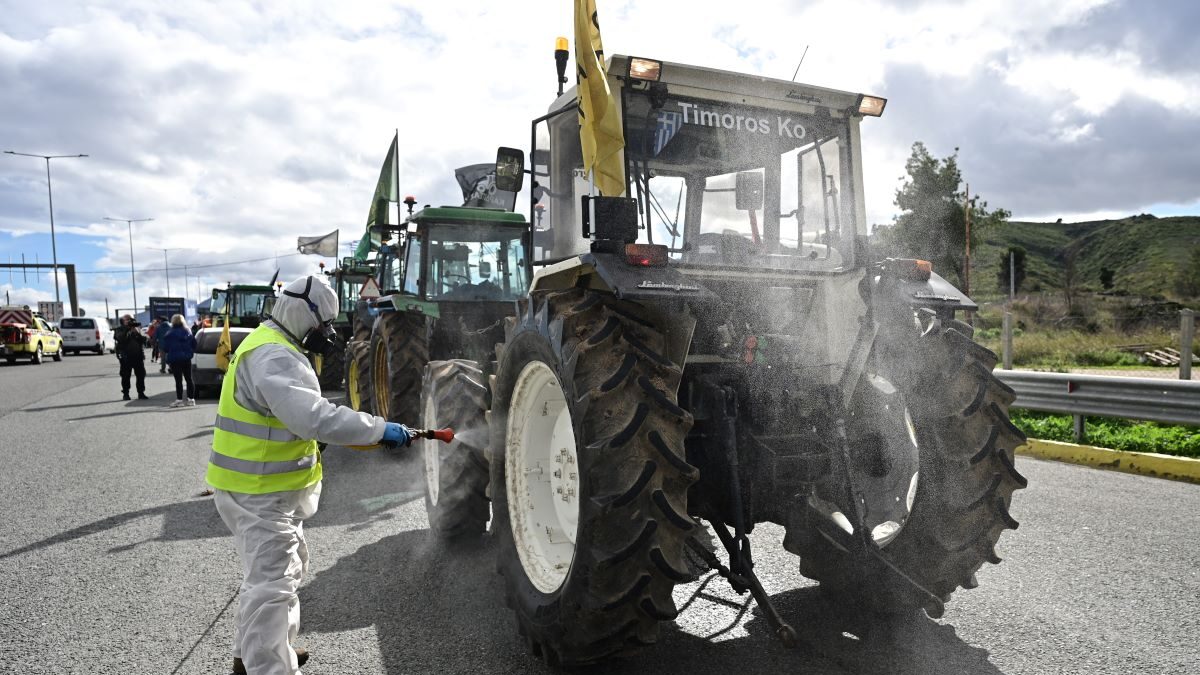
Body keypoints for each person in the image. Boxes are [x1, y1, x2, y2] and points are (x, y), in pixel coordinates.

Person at [207, 275, 415, 675]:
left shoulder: (274, 344)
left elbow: (283, 416)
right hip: (259, 491)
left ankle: (254, 655)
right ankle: (270, 669)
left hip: (263, 488)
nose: (328, 333)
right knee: (273, 584)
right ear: (305, 314)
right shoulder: (274, 356)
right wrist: (378, 429)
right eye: (324, 324)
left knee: (280, 572)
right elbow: (314, 417)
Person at [161, 314, 197, 408]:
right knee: (189, 379)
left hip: (175, 359)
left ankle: (179, 400)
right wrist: (189, 352)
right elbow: (194, 344)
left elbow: (165, 348)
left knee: (178, 380)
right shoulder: (188, 332)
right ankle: (191, 399)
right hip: (186, 358)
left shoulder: (169, 333)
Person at [113, 315, 150, 400]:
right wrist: (127, 329)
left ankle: (141, 393)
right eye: (127, 320)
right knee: (125, 376)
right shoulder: (120, 329)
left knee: (141, 375)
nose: (129, 321)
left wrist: (137, 332)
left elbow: (144, 340)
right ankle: (126, 393)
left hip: (138, 356)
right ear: (123, 321)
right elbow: (120, 338)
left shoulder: (136, 329)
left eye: (130, 320)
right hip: (125, 356)